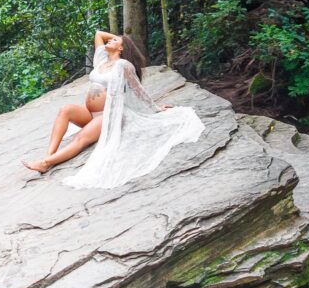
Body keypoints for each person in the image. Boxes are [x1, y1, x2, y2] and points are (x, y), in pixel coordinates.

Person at [22, 29, 205, 188]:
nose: (110, 40)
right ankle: (50, 155)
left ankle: (45, 163)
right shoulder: (101, 61)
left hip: (108, 115)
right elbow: (98, 35)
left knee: (81, 138)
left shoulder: (124, 65)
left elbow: (137, 90)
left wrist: (156, 108)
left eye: (115, 41)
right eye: (111, 39)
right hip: (91, 114)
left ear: (121, 49)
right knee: (65, 110)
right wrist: (119, 39)